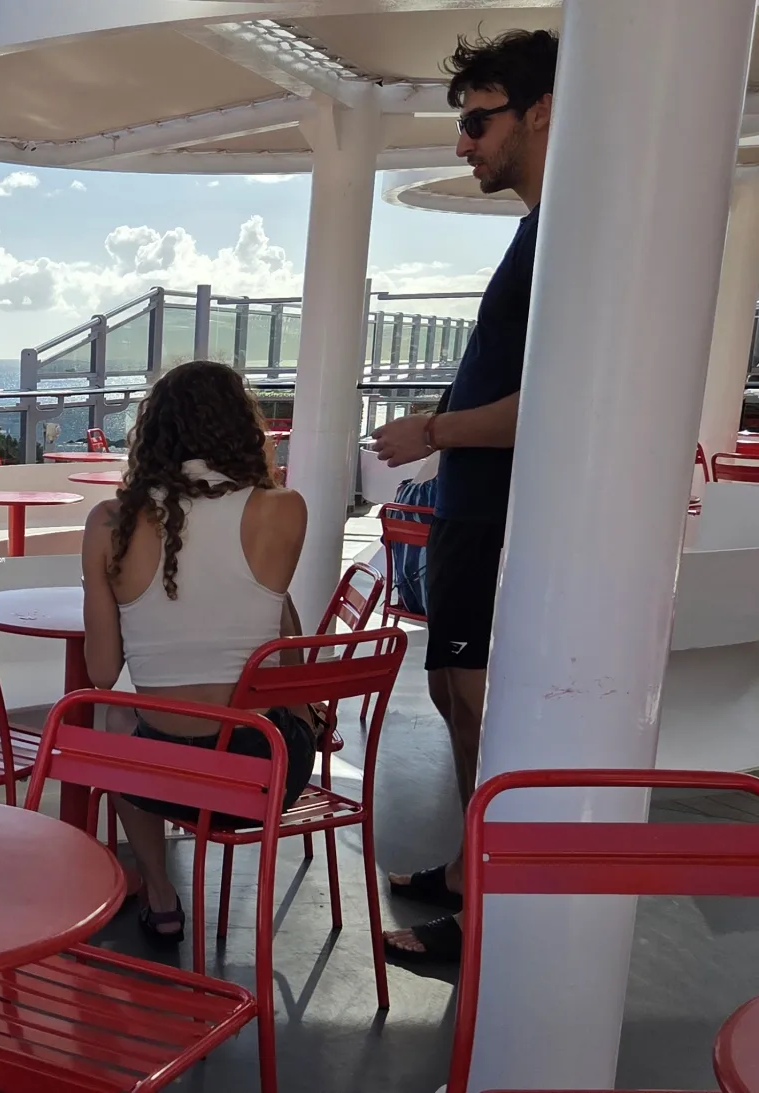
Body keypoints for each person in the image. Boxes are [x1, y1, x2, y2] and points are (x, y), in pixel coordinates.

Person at [369, 28, 557, 962]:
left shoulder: (566, 235)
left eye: (478, 122)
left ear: (541, 112)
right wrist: (441, 424)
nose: (463, 143)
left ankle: (486, 903)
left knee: (479, 699)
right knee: (451, 689)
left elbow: (553, 400)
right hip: (470, 504)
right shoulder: (536, 231)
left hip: (494, 506)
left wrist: (435, 433)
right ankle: (462, 865)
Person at [81, 359, 318, 943]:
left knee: (116, 721)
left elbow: (102, 672)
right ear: (242, 427)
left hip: (164, 775)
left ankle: (161, 894)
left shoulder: (110, 521)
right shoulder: (284, 508)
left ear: (153, 431)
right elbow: (284, 644)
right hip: (263, 773)